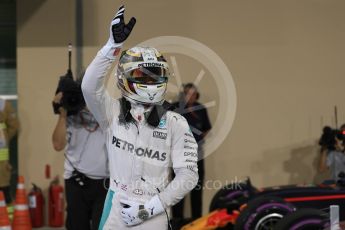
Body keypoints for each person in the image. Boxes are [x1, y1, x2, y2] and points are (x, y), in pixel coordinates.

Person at [81, 5, 199, 229]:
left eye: (157, 75)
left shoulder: (175, 122)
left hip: (153, 209)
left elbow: (189, 175)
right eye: (141, 75)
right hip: (115, 206)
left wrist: (151, 207)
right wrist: (112, 46)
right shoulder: (112, 111)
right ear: (124, 77)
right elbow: (89, 87)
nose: (151, 82)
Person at [52, 91, 109, 230]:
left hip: (105, 184)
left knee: (101, 226)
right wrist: (62, 113)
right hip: (77, 181)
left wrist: (90, 106)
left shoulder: (108, 111)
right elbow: (57, 145)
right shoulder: (71, 115)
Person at [172, 83, 212, 219]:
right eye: (188, 93)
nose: (191, 96)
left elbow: (206, 128)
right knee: (178, 190)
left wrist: (197, 140)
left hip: (197, 155)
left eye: (194, 94)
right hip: (178, 155)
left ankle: (197, 220)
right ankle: (177, 222)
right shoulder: (176, 107)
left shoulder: (201, 109)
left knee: (197, 188)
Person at [0, 98, 19, 204]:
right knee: (4, 189)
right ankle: (6, 218)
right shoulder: (4, 104)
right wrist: (5, 136)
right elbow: (14, 126)